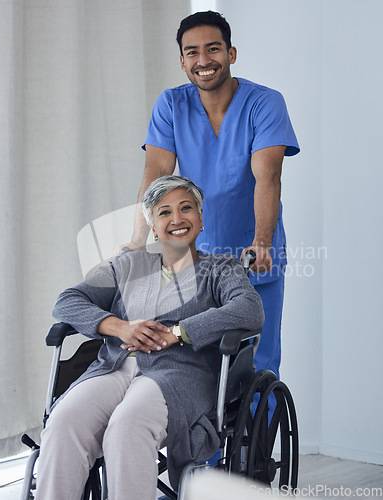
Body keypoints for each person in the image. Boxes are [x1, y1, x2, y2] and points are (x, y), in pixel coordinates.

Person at [35, 175, 264, 500]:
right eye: (164, 212)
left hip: (179, 373)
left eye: (186, 208)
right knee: (63, 423)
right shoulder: (126, 265)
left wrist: (178, 332)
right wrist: (119, 327)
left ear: (201, 218)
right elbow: (68, 301)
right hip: (115, 367)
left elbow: (249, 308)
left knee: (128, 427)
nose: (177, 219)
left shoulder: (221, 269)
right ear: (153, 227)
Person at [121, 11, 300, 382]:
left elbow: (268, 176)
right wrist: (138, 242)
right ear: (182, 61)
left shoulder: (265, 103)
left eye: (213, 49)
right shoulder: (171, 105)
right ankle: (211, 443)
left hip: (254, 257)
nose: (203, 61)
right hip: (197, 259)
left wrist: (262, 241)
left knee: (257, 364)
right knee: (200, 364)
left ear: (231, 53)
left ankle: (259, 441)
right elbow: (155, 174)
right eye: (193, 52)